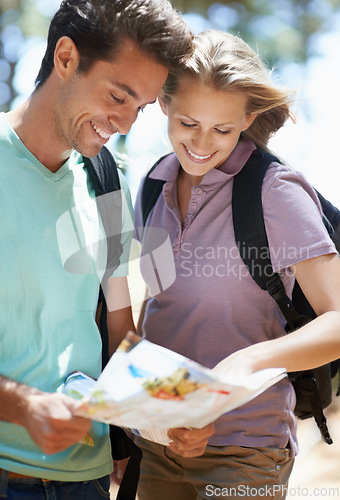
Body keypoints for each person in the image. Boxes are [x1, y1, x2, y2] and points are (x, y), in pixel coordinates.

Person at [133, 30, 340, 500]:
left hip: (245, 452)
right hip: (157, 439)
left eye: (223, 130)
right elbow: (158, 309)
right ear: (164, 104)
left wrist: (246, 362)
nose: (202, 144)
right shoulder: (151, 184)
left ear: (248, 117)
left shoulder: (275, 191)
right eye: (188, 122)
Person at [0, 0, 193, 498]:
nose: (126, 124)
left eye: (141, 107)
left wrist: (165, 417)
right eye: (117, 95)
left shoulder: (108, 182)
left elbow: (120, 333)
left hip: (84, 480)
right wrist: (22, 407)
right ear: (66, 57)